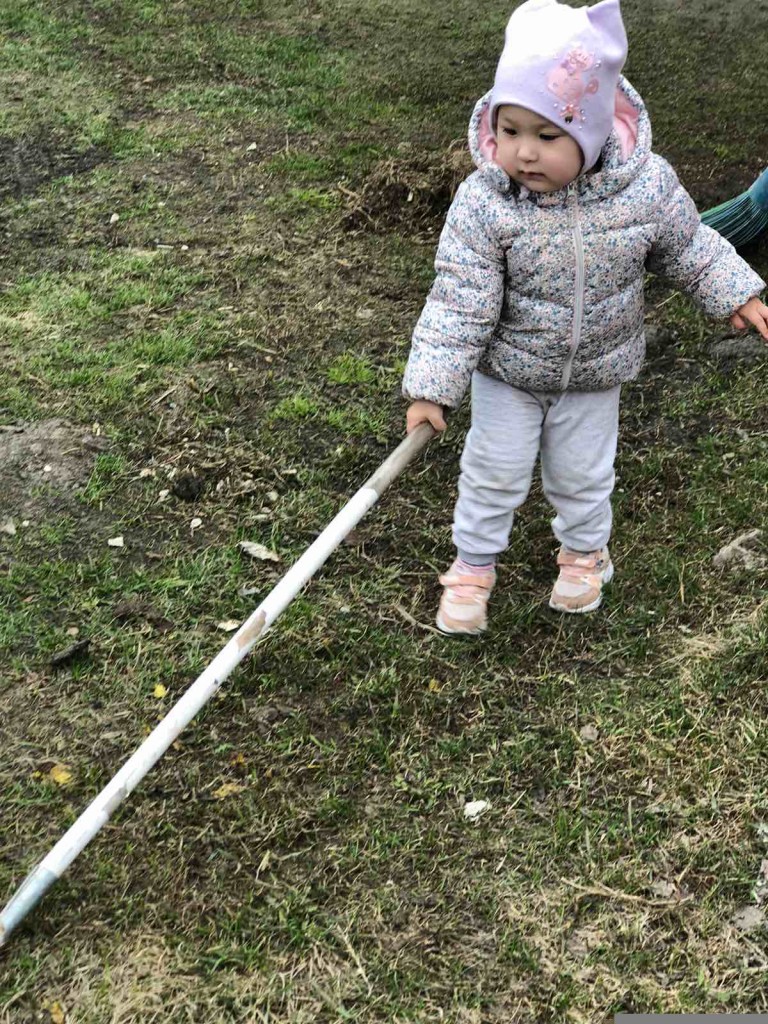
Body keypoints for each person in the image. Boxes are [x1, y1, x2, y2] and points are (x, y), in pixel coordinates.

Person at [402, 0, 768, 635]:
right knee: (492, 472)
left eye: (548, 136)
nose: (524, 152)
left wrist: (735, 292)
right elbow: (459, 297)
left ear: (593, 131)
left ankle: (583, 555)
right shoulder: (486, 203)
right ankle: (472, 567)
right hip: (509, 373)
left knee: (582, 476)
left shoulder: (644, 189)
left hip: (595, 374)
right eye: (510, 129)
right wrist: (432, 387)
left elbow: (689, 246)